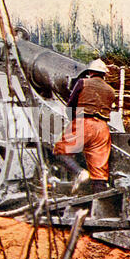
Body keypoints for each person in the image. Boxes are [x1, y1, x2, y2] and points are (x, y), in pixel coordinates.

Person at [53, 59, 115, 194]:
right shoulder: (110, 90)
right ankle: (99, 203)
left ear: (90, 72)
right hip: (102, 128)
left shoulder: (82, 83)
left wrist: (73, 122)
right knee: (99, 173)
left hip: (83, 122)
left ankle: (80, 173)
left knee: (60, 151)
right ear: (104, 74)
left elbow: (70, 105)